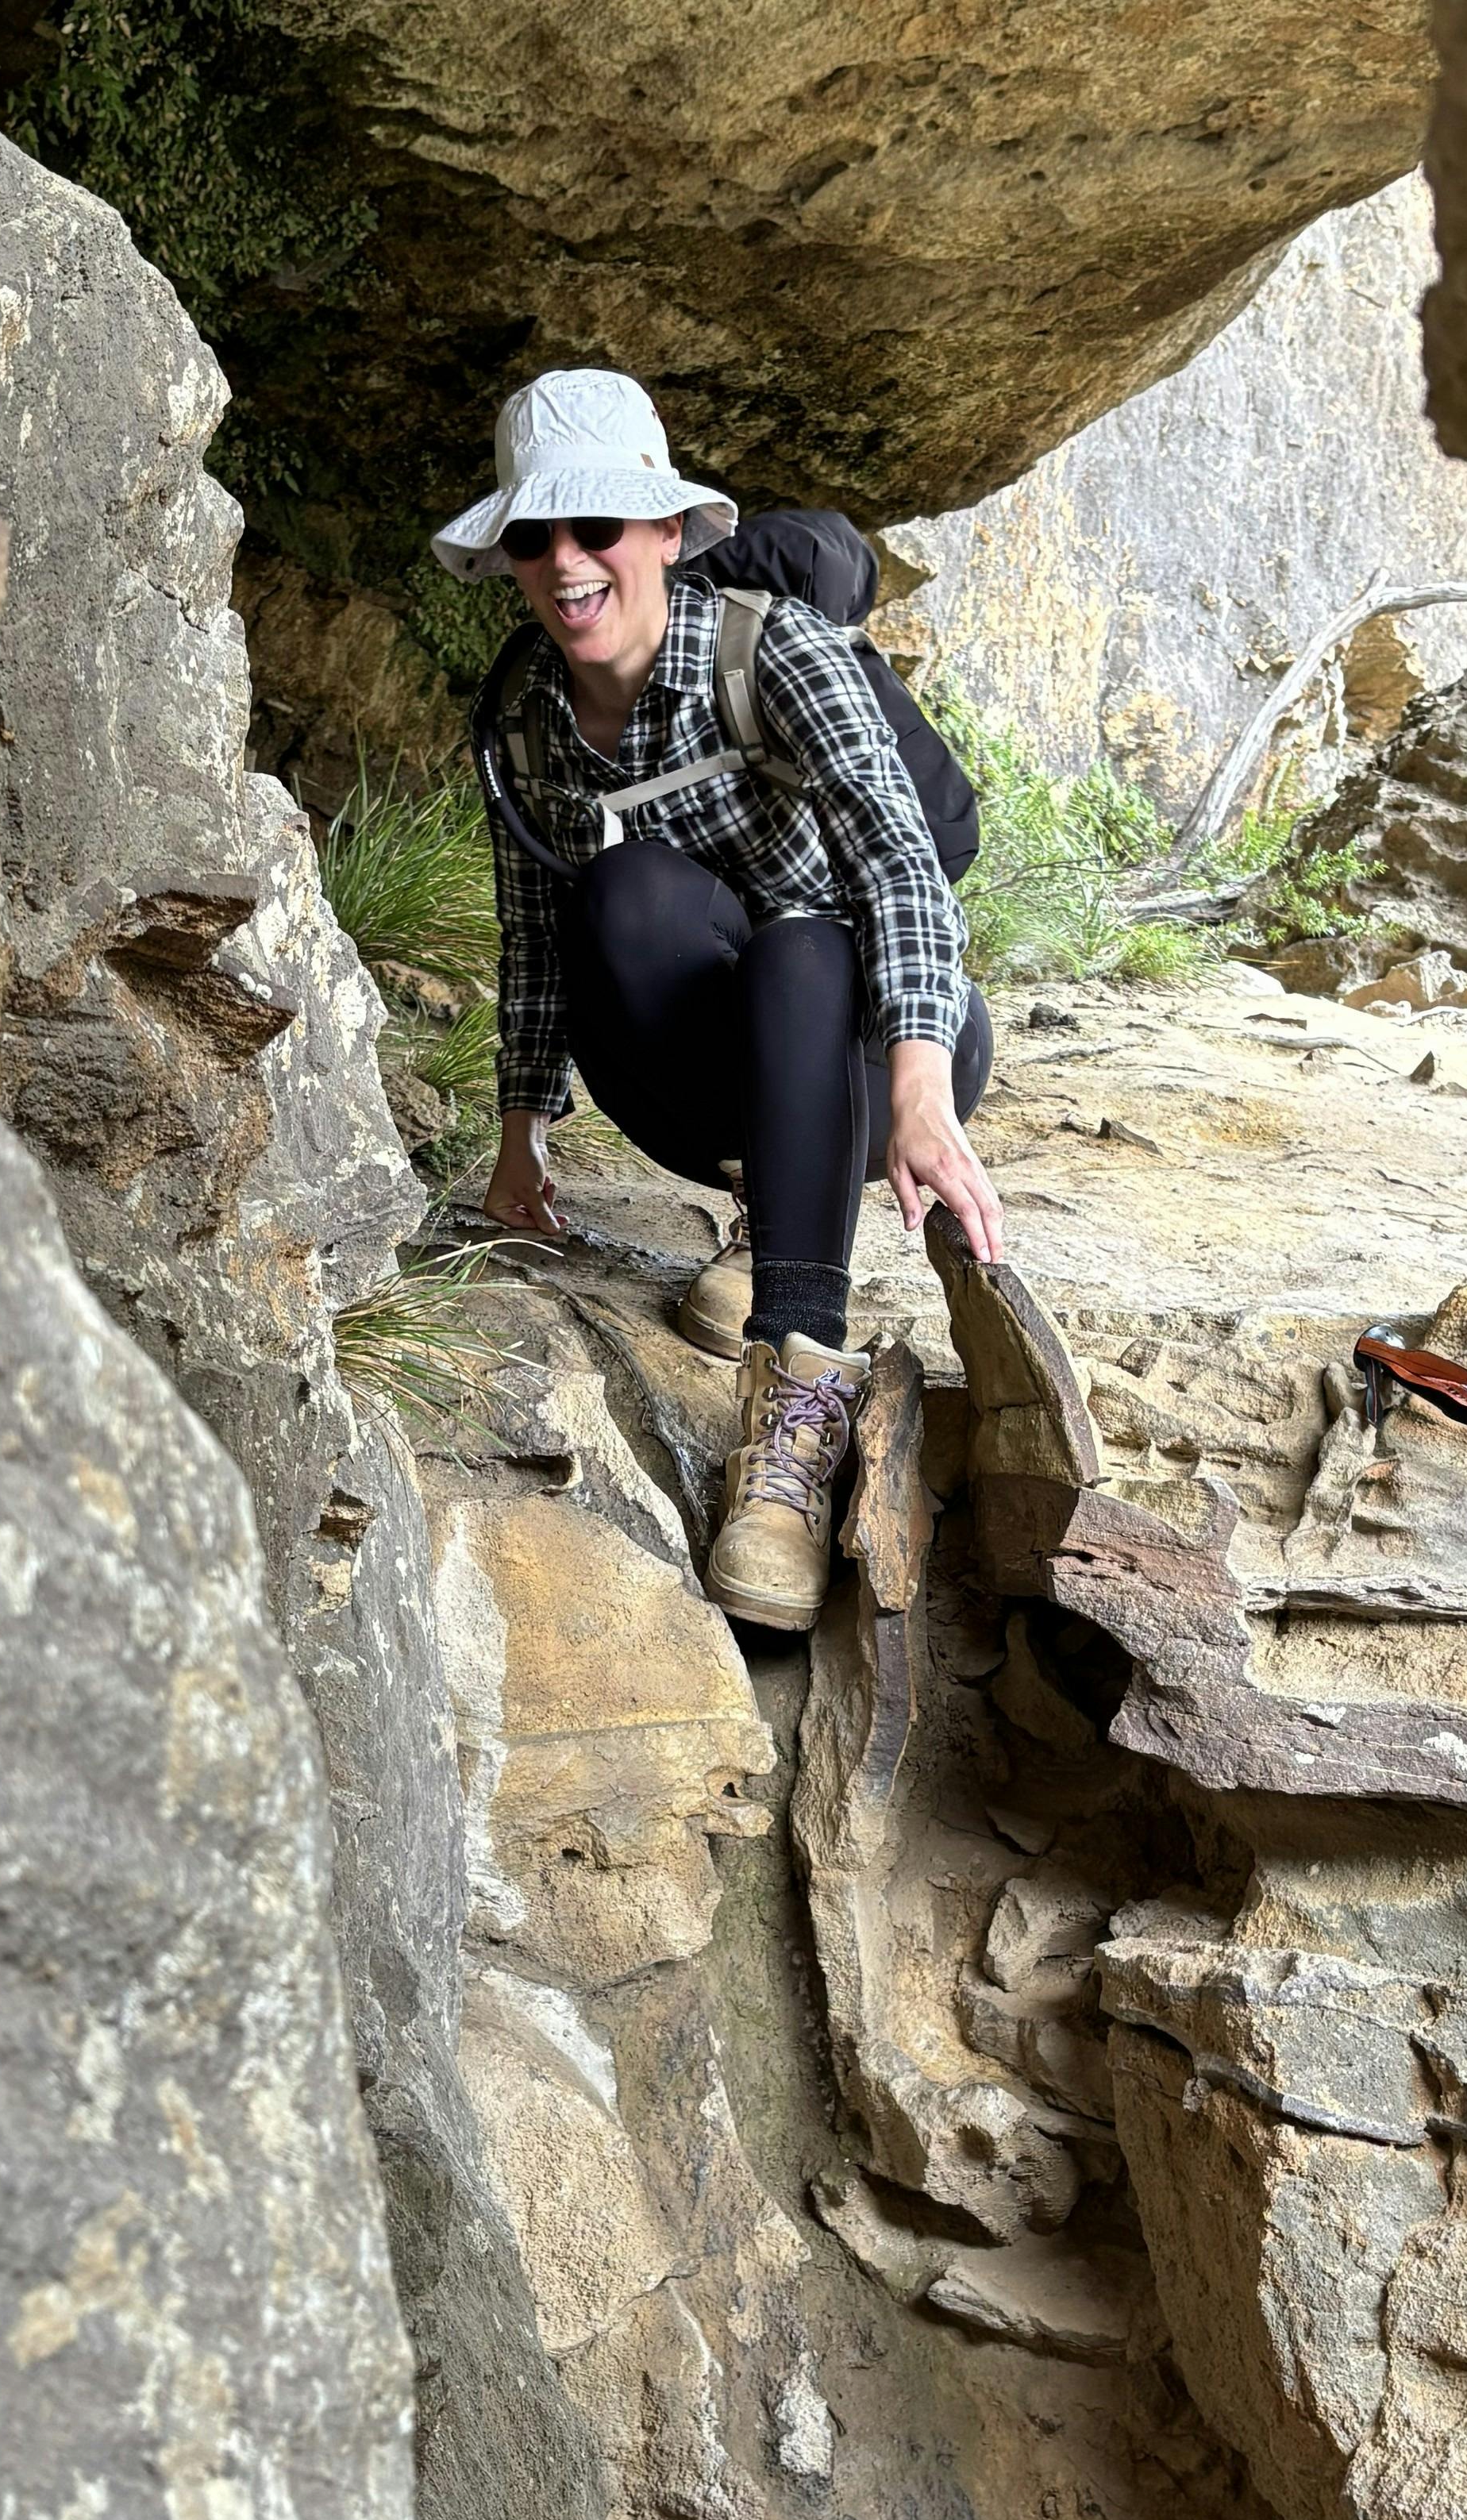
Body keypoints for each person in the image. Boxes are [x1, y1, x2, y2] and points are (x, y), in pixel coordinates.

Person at [431, 368, 1005, 1629]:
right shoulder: (525, 716)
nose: (569, 563)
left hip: (867, 1055)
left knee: (803, 945)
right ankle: (762, 1198)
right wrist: (521, 1135)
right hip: (698, 1088)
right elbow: (534, 934)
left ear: (664, 533)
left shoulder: (774, 649)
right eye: (537, 536)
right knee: (619, 893)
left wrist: (918, 1091)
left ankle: (797, 1400)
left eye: (599, 529)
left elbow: (901, 859)